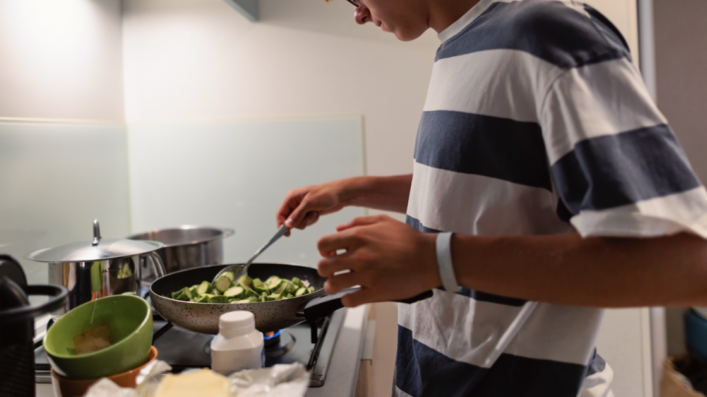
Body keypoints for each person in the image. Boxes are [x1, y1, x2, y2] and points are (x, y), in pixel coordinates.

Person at [276, 0, 707, 396]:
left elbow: (687, 265)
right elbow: (485, 189)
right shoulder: (460, 47)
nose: (359, 14)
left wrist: (434, 260)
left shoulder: (548, 31)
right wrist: (353, 190)